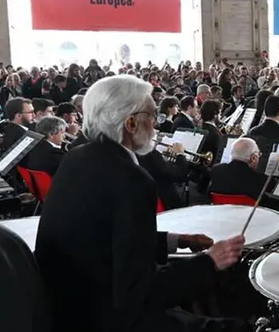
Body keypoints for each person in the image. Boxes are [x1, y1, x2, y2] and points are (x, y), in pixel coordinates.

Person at [35, 75, 247, 332]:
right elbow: (138, 293)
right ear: (131, 123)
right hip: (103, 317)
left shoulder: (76, 158)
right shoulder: (132, 180)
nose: (156, 124)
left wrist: (176, 240)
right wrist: (209, 261)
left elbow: (104, 239)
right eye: (152, 115)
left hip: (65, 305)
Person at [208, 138, 278, 209]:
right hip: (247, 218)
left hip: (218, 215)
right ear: (253, 158)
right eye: (258, 155)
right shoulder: (263, 180)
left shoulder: (216, 170)